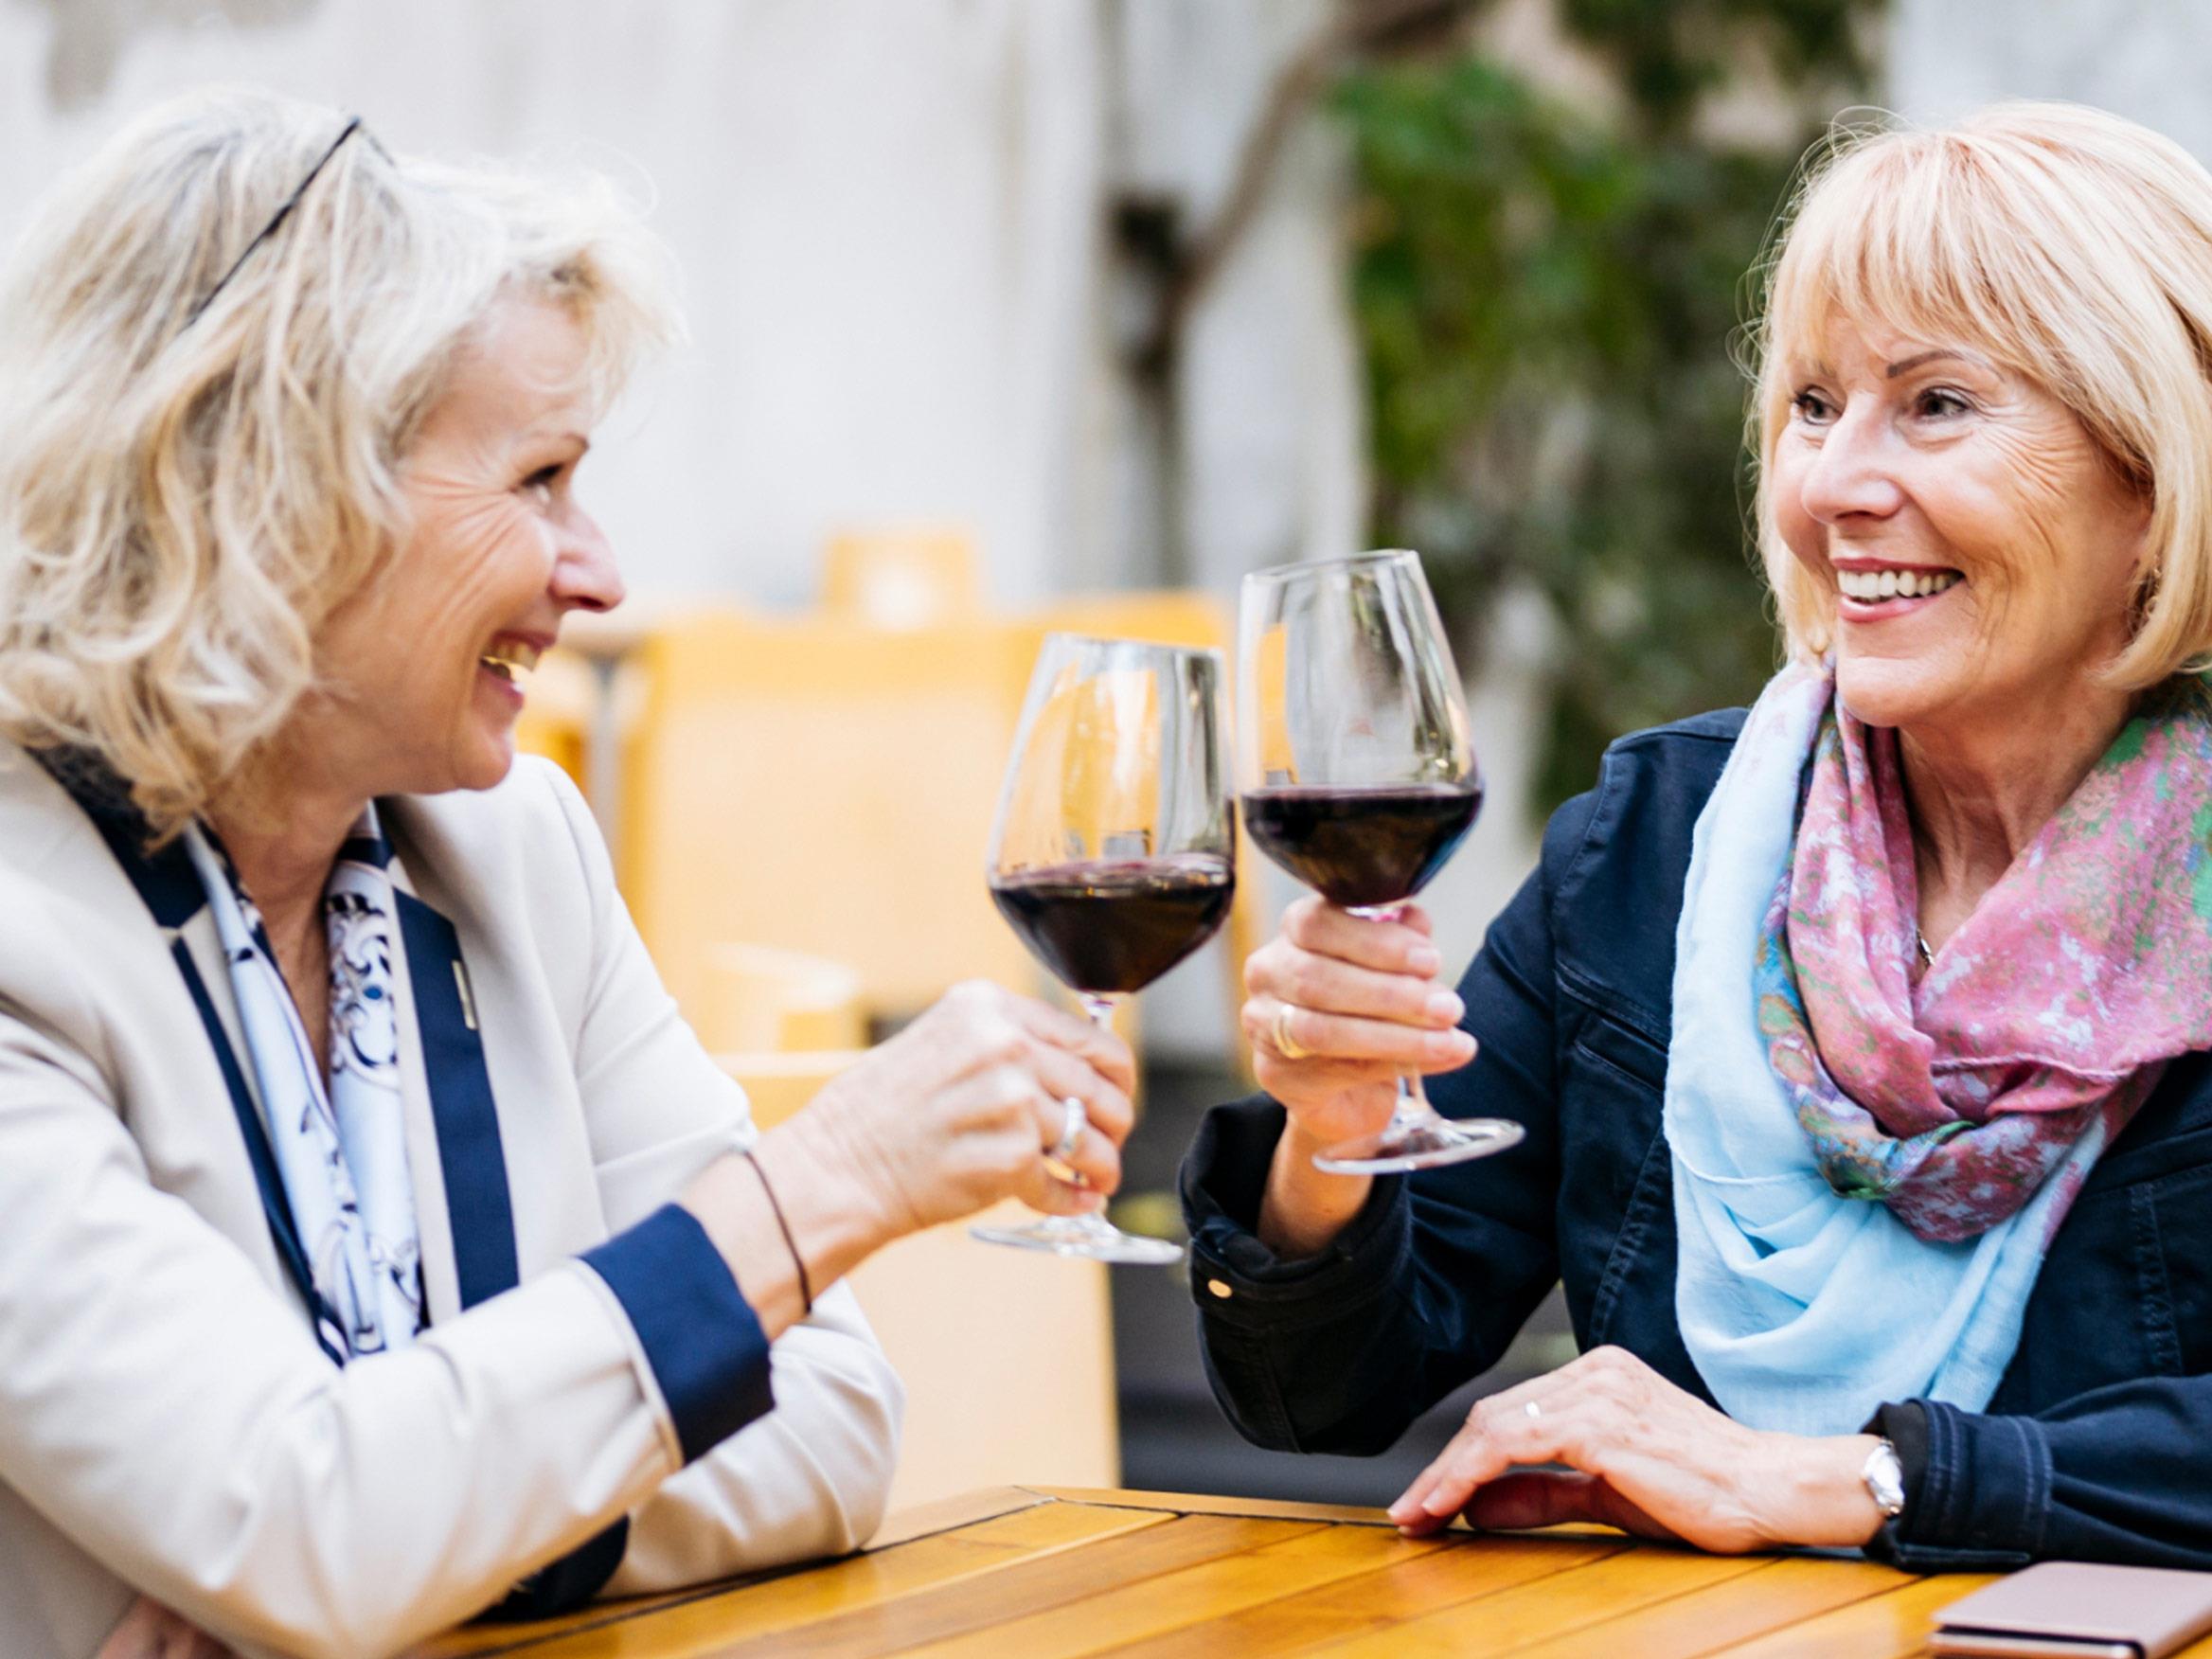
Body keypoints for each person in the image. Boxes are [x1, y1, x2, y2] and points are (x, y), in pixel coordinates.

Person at [0, 90, 1136, 1659]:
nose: (595, 572)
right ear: (281, 498)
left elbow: (834, 1416)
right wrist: (825, 1186)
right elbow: (300, 1518)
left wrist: (420, 1541)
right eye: (538, 481)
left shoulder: (513, 851)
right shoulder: (22, 946)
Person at [1184, 99, 2212, 1572]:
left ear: (2156, 472)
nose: (1834, 489)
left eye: (1936, 404)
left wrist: (1855, 1483)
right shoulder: (1656, 843)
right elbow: (1319, 1393)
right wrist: (1333, 1139)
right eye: (1811, 405)